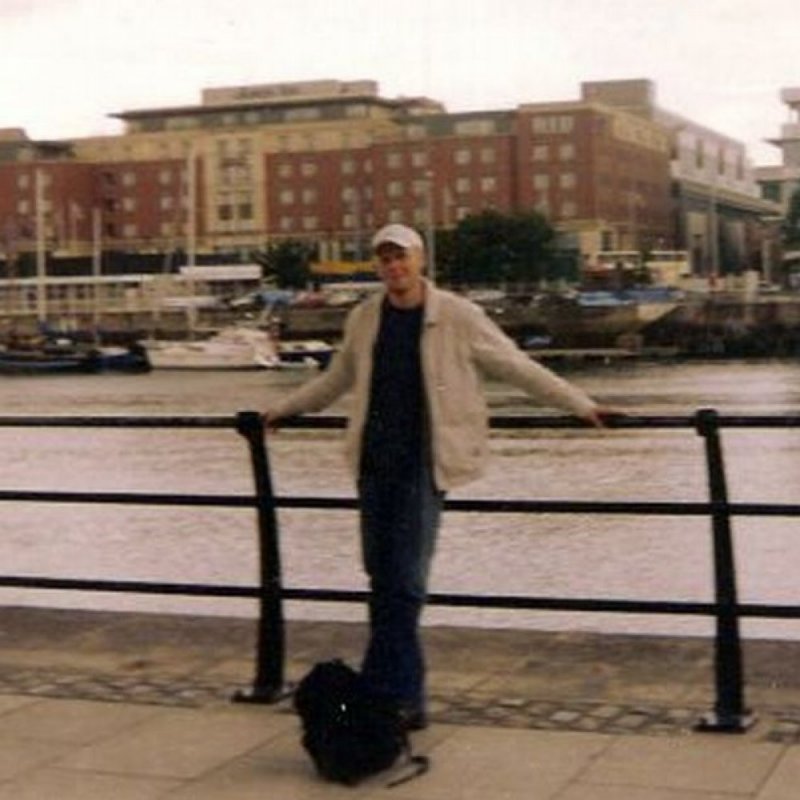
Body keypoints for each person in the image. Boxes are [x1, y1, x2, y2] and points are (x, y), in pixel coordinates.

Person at [262, 223, 613, 730]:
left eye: (401, 257)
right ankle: (399, 699)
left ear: (420, 260)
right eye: (385, 259)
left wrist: (582, 405)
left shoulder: (457, 315)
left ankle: (392, 695)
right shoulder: (365, 317)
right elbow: (336, 379)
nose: (394, 267)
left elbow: (515, 366)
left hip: (424, 462)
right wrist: (283, 410)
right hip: (373, 461)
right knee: (381, 576)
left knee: (404, 581)